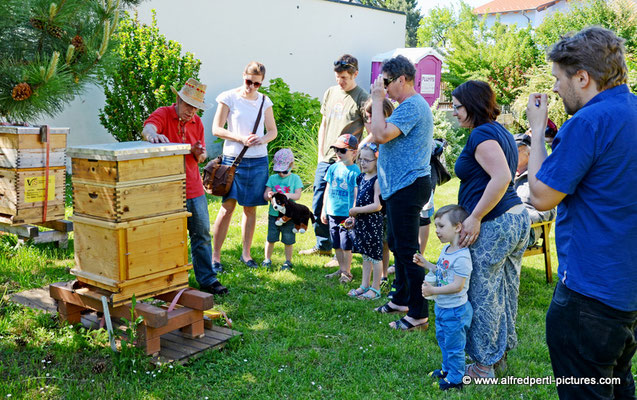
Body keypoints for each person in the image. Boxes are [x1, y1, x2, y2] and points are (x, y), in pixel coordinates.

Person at [526, 26, 637, 399]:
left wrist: (537, 133)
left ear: (583, 77)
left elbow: (541, 196)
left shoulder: (587, 123)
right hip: (627, 290)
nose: (555, 88)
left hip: (589, 293)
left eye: (558, 78)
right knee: (618, 383)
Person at [452, 80, 529, 378]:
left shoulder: (482, 133)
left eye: (458, 106)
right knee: (504, 290)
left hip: (496, 222)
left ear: (471, 105)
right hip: (516, 219)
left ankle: (483, 366)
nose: (455, 112)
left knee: (483, 293)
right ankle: (499, 357)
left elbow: (502, 177)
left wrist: (475, 217)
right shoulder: (500, 130)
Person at [142, 78, 227, 295]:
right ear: (178, 99)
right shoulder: (163, 113)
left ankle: (208, 280)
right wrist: (152, 135)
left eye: (195, 107)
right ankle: (168, 280)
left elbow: (201, 154)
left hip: (194, 186)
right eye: (188, 105)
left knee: (202, 235)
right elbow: (148, 128)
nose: (191, 111)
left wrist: (200, 154)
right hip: (167, 188)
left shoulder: (197, 122)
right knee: (168, 236)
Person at [368, 55, 433, 331]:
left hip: (408, 187)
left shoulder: (412, 106)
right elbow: (377, 133)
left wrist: (375, 98)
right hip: (399, 187)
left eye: (385, 82)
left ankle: (418, 314)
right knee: (397, 243)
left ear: (401, 80)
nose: (382, 87)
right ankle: (401, 300)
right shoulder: (405, 107)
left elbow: (380, 135)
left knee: (409, 252)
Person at [300, 54, 369, 258]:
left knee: (346, 205)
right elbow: (324, 123)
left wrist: (356, 150)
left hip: (348, 161)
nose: (340, 81)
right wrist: (321, 152)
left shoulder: (362, 97)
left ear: (355, 74)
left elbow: (371, 129)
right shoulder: (330, 92)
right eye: (338, 77)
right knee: (319, 200)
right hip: (327, 158)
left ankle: (346, 248)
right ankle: (323, 245)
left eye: (345, 78)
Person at [211, 61, 277, 269]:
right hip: (233, 159)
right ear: (243, 76)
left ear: (261, 83)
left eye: (256, 84)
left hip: (257, 160)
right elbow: (216, 129)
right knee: (227, 207)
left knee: (250, 209)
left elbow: (272, 131)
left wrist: (262, 140)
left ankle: (246, 254)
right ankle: (215, 257)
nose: (251, 87)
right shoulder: (228, 97)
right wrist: (240, 138)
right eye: (249, 81)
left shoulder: (265, 101)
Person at [414, 204, 472, 391]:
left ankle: (456, 378)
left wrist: (433, 291)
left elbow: (457, 286)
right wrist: (426, 264)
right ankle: (447, 370)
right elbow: (441, 272)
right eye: (436, 226)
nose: (437, 231)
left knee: (455, 346)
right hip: (443, 307)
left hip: (455, 311)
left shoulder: (462, 257)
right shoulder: (447, 250)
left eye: (441, 226)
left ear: (457, 227)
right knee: (444, 340)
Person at [345, 143, 383, 300]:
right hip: (361, 222)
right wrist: (352, 216)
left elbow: (377, 205)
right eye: (360, 159)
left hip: (372, 223)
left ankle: (375, 288)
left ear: (376, 161)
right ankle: (364, 285)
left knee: (375, 256)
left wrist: (357, 211)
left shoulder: (377, 179)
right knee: (365, 255)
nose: (363, 163)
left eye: (367, 160)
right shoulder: (360, 177)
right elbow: (357, 200)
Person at [321, 134, 360, 284]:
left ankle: (347, 272)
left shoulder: (355, 171)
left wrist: (354, 212)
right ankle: (341, 269)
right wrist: (324, 209)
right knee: (336, 242)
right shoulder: (333, 168)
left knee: (346, 244)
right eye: (336, 149)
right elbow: (328, 188)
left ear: (354, 152)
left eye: (342, 150)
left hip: (346, 214)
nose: (338, 153)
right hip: (332, 212)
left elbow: (356, 194)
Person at [262, 148, 303, 270]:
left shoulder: (295, 179)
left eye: (284, 171)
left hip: (289, 216)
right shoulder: (273, 179)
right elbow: (265, 195)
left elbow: (298, 196)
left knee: (288, 239)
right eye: (279, 171)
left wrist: (287, 196)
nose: (281, 174)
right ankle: (267, 259)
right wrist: (269, 196)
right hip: (274, 215)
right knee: (271, 238)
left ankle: (288, 261)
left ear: (291, 165)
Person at [513, 133, 555, 246]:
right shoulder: (507, 177)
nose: (511, 154)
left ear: (530, 153)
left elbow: (549, 212)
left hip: (527, 230)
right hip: (507, 225)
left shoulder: (539, 178)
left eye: (516, 150)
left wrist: (524, 218)